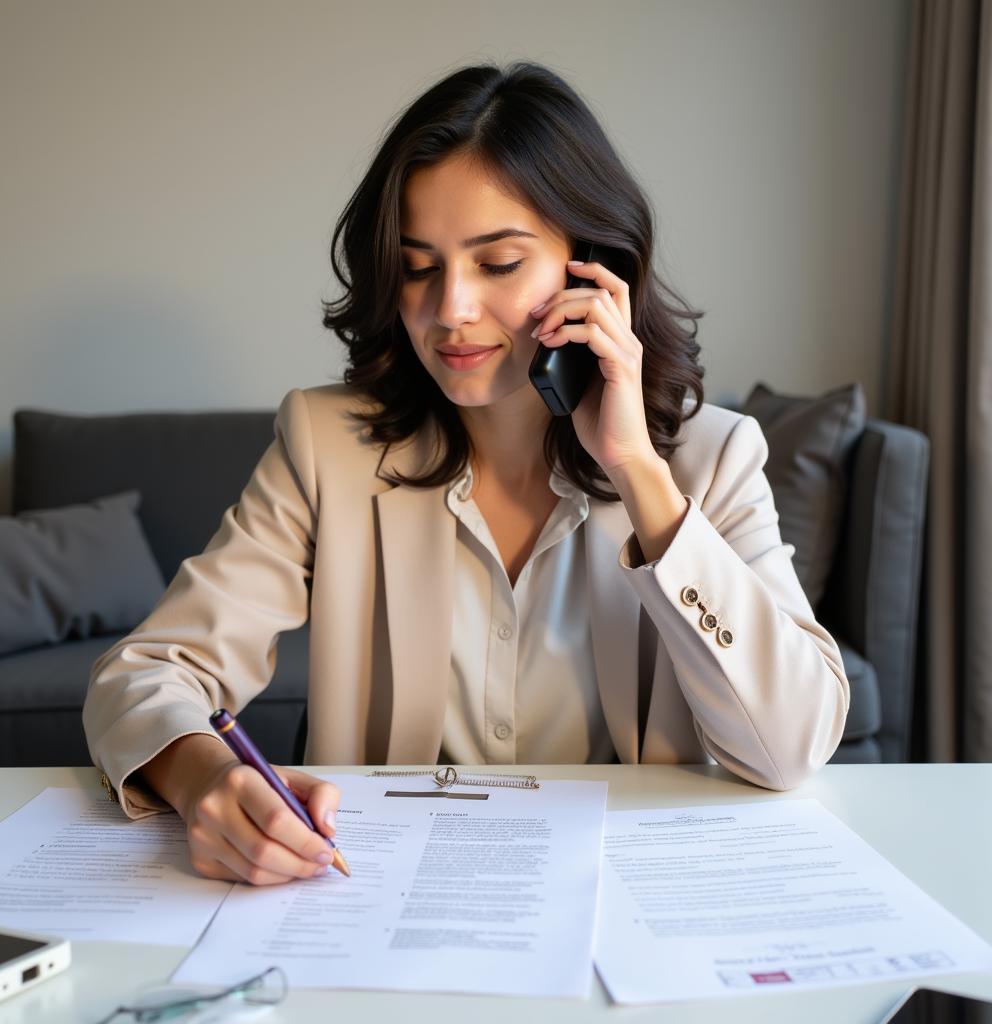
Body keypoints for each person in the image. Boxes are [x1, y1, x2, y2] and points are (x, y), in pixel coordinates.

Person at [83, 61, 850, 887]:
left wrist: (638, 474)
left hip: (625, 901)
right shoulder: (327, 446)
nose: (450, 309)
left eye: (497, 263)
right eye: (419, 266)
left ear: (590, 269)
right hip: (382, 900)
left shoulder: (710, 458)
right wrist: (205, 778)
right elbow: (143, 674)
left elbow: (792, 743)